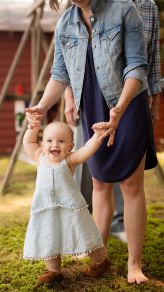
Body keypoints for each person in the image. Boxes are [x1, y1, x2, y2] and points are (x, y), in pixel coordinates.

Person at [27, 0, 157, 284]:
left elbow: (137, 65)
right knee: (98, 182)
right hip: (93, 107)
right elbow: (59, 75)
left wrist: (120, 108)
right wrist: (40, 106)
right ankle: (100, 256)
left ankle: (134, 265)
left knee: (132, 185)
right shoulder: (66, 22)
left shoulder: (124, 9)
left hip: (128, 103)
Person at [64, 0, 162, 243]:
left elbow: (149, 58)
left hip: (133, 96)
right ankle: (92, 238)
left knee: (130, 182)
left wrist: (155, 100)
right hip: (92, 99)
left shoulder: (147, 7)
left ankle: (121, 227)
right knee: (95, 176)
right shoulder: (86, 7)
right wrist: (69, 96)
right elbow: (71, 58)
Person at [23, 117, 111, 283]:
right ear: (42, 144)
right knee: (49, 236)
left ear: (71, 146)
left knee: (84, 235)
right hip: (46, 209)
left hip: (70, 209)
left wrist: (97, 136)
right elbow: (28, 142)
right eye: (49, 140)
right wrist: (33, 128)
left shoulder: (69, 160)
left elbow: (87, 150)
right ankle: (54, 271)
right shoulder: (39, 157)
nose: (55, 145)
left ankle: (101, 262)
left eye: (61, 141)